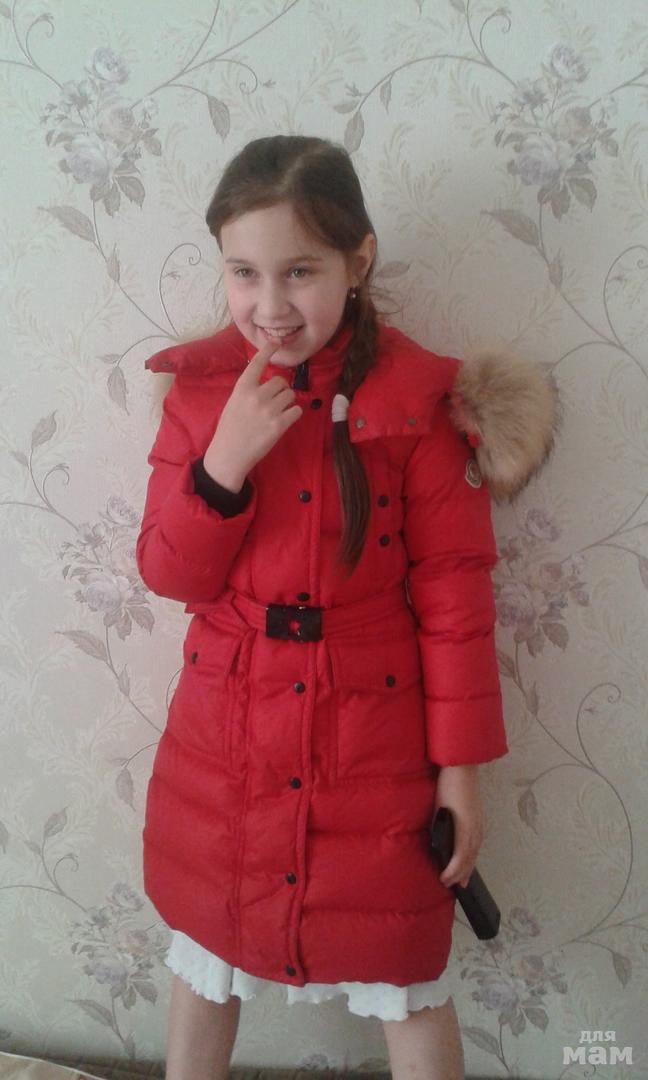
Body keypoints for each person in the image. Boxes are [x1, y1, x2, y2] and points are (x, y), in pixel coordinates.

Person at [136, 134, 559, 1080]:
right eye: (244, 273)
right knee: (206, 952)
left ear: (357, 260)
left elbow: (455, 598)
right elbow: (170, 572)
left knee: (403, 970)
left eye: (301, 271)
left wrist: (461, 774)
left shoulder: (419, 399)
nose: (270, 305)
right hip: (226, 738)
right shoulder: (202, 393)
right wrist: (223, 462)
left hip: (375, 744)